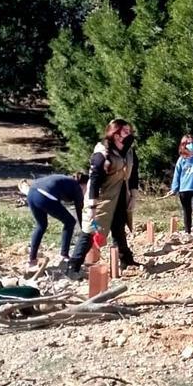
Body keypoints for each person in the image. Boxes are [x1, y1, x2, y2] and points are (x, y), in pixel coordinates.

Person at [67, 119, 141, 277]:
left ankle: (126, 259)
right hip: (102, 198)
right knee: (90, 231)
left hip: (121, 194)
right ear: (115, 134)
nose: (129, 134)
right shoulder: (101, 155)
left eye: (129, 131)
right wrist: (93, 207)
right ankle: (73, 266)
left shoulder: (129, 151)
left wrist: (133, 194)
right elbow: (94, 182)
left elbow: (133, 173)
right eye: (125, 131)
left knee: (119, 227)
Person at [26, 172, 88, 267]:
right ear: (84, 185)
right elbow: (80, 211)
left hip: (32, 192)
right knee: (70, 221)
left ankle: (32, 259)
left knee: (41, 225)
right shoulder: (77, 188)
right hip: (44, 195)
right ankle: (64, 255)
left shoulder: (67, 181)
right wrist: (86, 231)